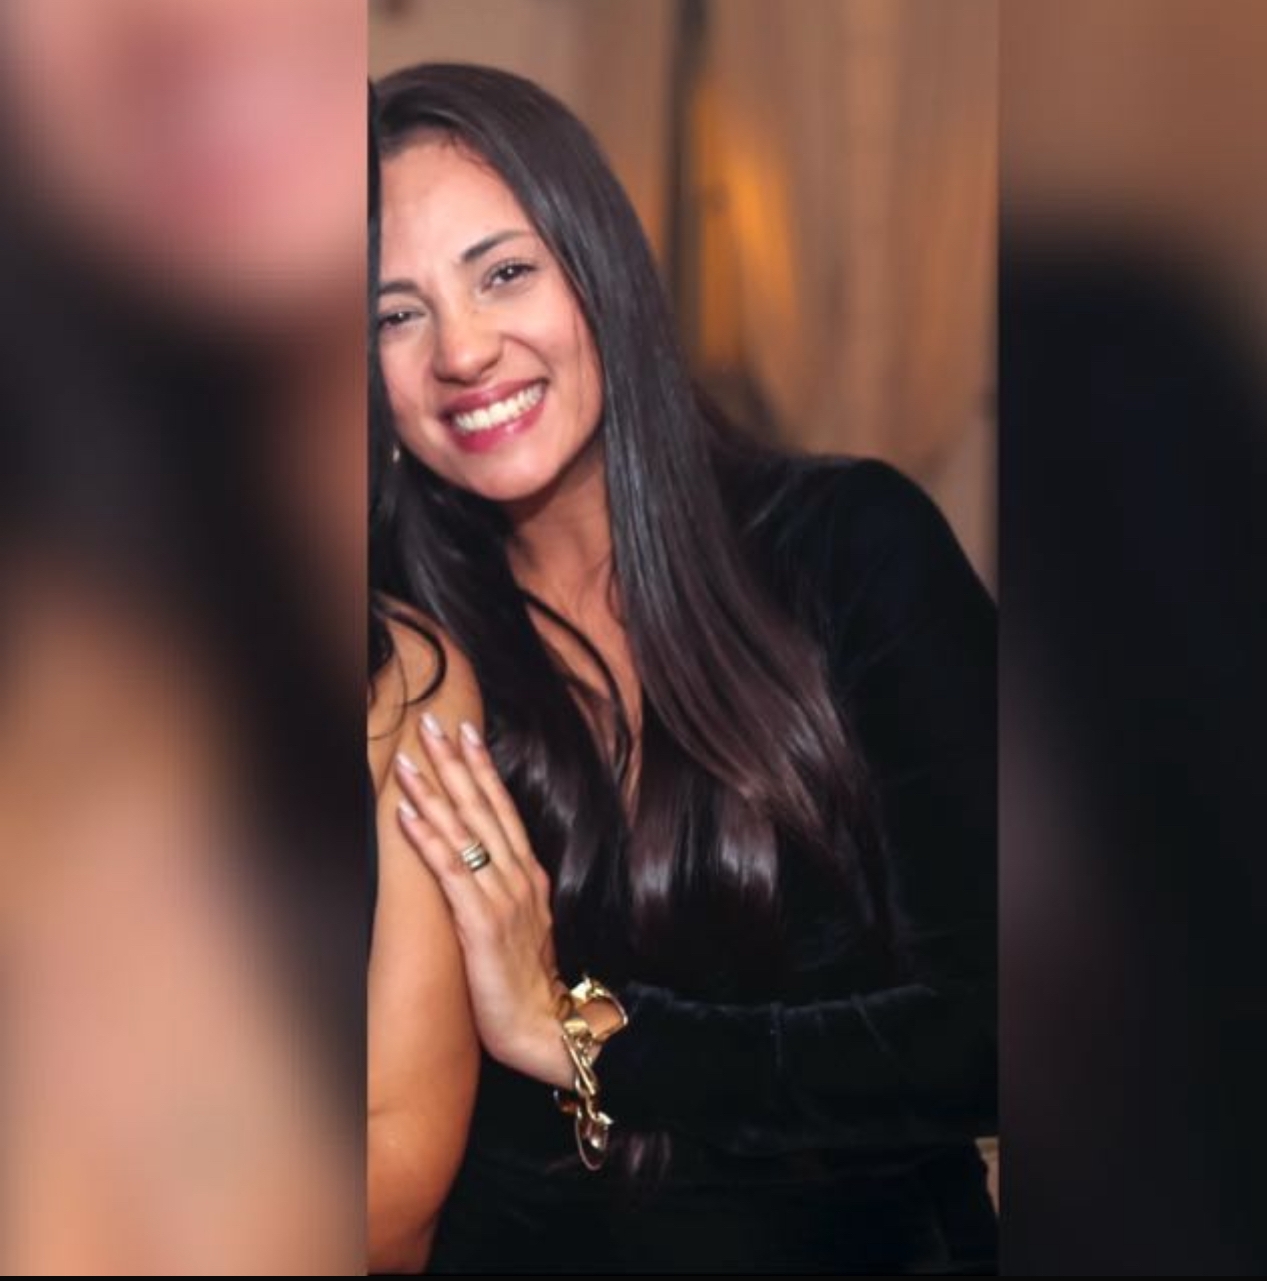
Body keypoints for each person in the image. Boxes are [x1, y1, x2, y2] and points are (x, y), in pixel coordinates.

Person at [372, 62, 997, 1274]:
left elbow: (998, 1038)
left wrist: (582, 1034)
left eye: (504, 272)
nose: (463, 350)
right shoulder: (396, 656)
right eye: (393, 315)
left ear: (599, 268)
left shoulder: (850, 549)